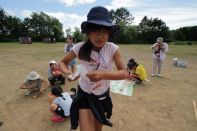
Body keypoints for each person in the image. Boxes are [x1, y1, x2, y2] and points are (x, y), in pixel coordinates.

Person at [59, 6, 130, 131]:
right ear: (88, 32)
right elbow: (62, 62)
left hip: (102, 95)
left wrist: (103, 75)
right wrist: (67, 72)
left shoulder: (112, 49)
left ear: (109, 32)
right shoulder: (80, 47)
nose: (100, 36)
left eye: (104, 31)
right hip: (84, 94)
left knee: (98, 129)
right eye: (95, 30)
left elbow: (125, 73)